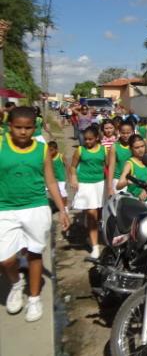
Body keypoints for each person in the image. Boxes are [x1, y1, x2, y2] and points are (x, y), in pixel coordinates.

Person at [0, 107, 70, 322]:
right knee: (5, 259)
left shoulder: (41, 150)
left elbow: (50, 181)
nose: (23, 132)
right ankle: (16, 283)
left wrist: (63, 209)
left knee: (34, 253)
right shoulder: (1, 144)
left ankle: (34, 297)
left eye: (28, 128)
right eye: (18, 127)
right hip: (5, 208)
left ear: (35, 127)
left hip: (36, 207)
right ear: (9, 126)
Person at [70, 126, 108, 259]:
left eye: (90, 139)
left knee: (98, 213)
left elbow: (109, 166)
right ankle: (95, 246)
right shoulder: (80, 150)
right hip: (85, 184)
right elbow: (73, 166)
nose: (87, 142)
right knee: (92, 214)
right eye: (85, 139)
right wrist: (73, 178)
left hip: (100, 184)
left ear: (97, 138)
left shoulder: (104, 150)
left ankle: (93, 234)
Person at [116, 135, 147, 201]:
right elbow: (118, 186)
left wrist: (146, 190)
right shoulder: (129, 164)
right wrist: (127, 182)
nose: (140, 149)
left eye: (142, 146)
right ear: (131, 149)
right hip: (134, 201)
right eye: (137, 147)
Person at [107, 121, 134, 196]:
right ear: (119, 132)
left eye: (128, 133)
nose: (125, 135)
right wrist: (109, 187)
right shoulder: (114, 146)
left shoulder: (136, 145)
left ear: (133, 132)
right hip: (118, 180)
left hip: (134, 180)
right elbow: (111, 166)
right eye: (123, 133)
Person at [48, 141, 68, 208]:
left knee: (62, 192)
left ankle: (65, 207)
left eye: (51, 150)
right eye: (48, 150)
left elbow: (67, 166)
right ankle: (56, 205)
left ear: (56, 149)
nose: (50, 152)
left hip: (61, 178)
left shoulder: (61, 156)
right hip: (53, 179)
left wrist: (70, 176)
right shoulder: (48, 158)